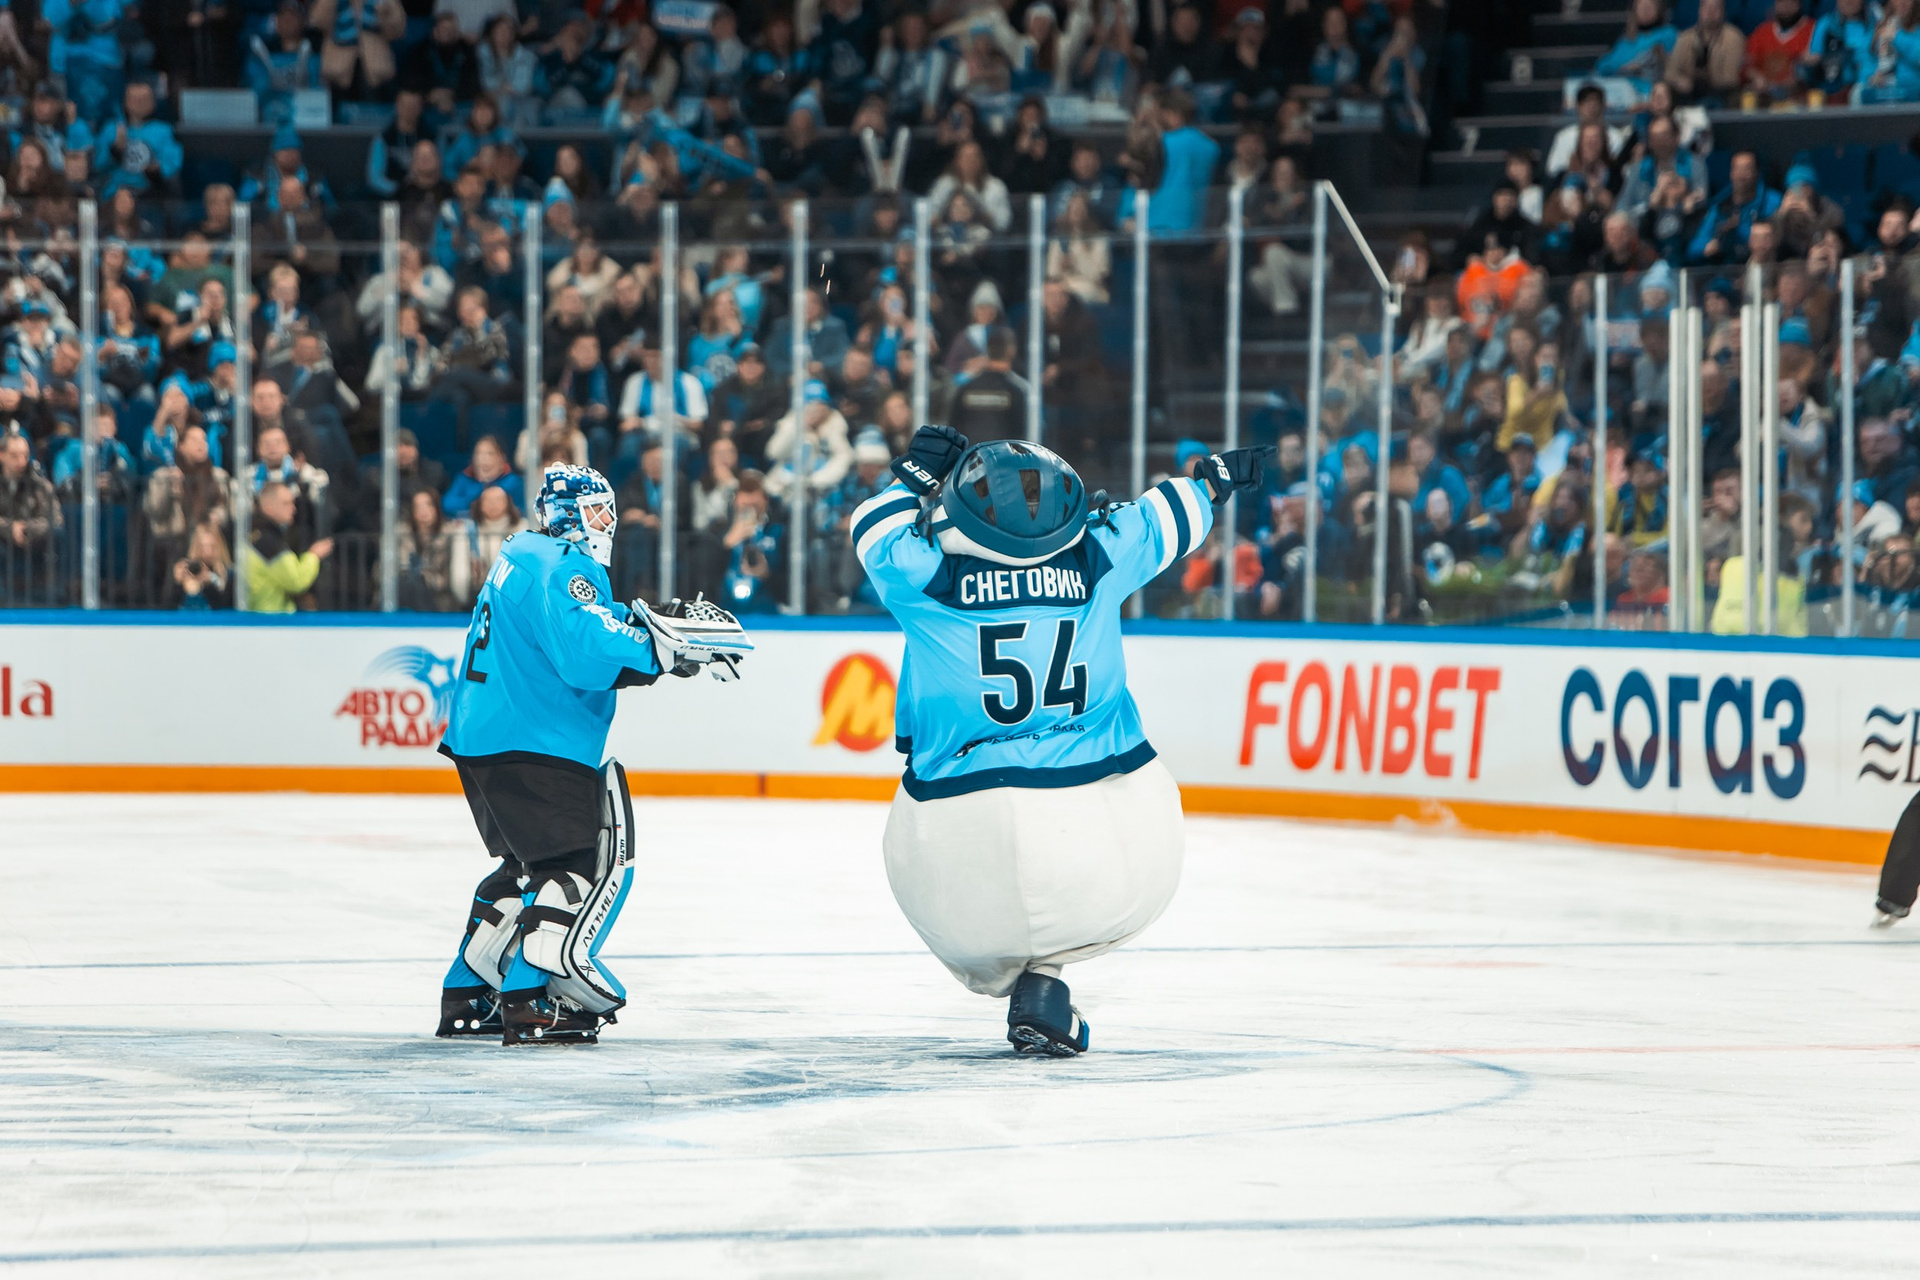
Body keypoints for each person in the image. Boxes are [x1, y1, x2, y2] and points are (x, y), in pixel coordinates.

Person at [851, 428, 1270, 1054]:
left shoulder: (922, 571)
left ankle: (1035, 979)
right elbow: (1167, 516)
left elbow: (872, 530)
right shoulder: (1099, 552)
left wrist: (914, 473)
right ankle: (1045, 982)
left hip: (954, 833)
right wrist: (1216, 479)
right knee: (1089, 869)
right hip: (1097, 815)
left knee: (988, 916)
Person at [436, 463, 752, 1045]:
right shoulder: (565, 564)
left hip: (483, 737)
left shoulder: (522, 552)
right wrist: (666, 651)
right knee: (571, 869)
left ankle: (468, 994)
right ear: (571, 515)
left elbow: (573, 629)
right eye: (598, 510)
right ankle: (530, 1002)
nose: (607, 521)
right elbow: (585, 650)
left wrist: (645, 624)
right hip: (535, 740)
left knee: (523, 868)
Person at [243, 480, 333, 613]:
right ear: (268, 507)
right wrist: (313, 555)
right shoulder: (268, 542)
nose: (293, 509)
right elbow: (296, 579)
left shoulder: (256, 535)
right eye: (286, 503)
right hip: (271, 618)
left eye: (293, 503)